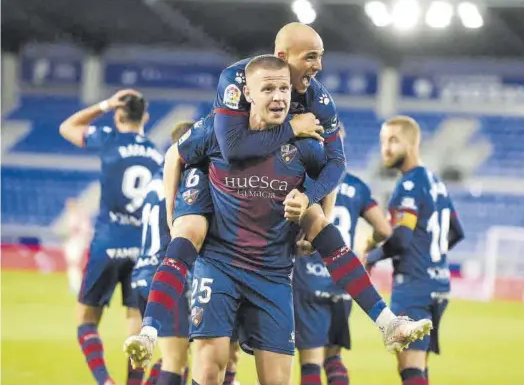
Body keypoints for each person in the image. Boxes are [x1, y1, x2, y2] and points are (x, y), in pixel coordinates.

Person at [125, 56, 432, 382]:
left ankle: (387, 322)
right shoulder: (220, 132)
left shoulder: (304, 145)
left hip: (272, 274)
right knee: (210, 367)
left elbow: (330, 170)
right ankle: (148, 331)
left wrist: (316, 204)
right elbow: (175, 153)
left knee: (320, 229)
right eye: (268, 88)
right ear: (248, 93)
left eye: (284, 88)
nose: (279, 96)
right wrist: (173, 215)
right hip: (220, 266)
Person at [60, 89, 163, 385]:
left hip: (108, 243)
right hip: (143, 249)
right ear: (145, 117)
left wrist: (105, 104)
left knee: (87, 320)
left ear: (119, 114)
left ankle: (105, 381)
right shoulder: (157, 154)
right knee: (135, 324)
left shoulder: (109, 139)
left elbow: (67, 127)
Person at [362, 116, 465, 385]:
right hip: (439, 285)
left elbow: (400, 240)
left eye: (394, 140)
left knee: (410, 368)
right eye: (383, 141)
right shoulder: (435, 182)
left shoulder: (408, 185)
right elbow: (457, 231)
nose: (386, 147)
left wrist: (371, 258)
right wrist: (432, 256)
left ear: (413, 143)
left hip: (414, 286)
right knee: (420, 365)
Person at [293, 153, 393, 385]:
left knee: (310, 361)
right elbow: (385, 230)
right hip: (344, 282)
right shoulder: (358, 186)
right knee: (334, 357)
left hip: (309, 280)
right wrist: (369, 245)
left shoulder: (306, 180)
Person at [132, 121, 195, 385]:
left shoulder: (155, 180)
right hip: (166, 277)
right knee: (175, 361)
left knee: (172, 355)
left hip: (141, 275)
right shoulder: (182, 183)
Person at [61, 198, 93, 295]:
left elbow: (73, 230)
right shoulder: (82, 216)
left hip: (75, 241)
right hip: (79, 241)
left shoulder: (74, 216)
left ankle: (76, 286)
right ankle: (76, 285)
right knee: (74, 265)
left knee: (73, 265)